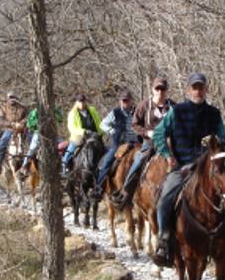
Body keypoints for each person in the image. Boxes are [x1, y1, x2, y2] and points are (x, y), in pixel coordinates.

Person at [152, 72, 225, 267]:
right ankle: (165, 240)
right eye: (194, 87)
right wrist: (168, 155)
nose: (198, 91)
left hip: (209, 169)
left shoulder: (214, 113)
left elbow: (223, 139)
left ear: (207, 89)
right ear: (188, 90)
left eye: (201, 87)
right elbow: (158, 134)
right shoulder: (177, 111)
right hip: (183, 166)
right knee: (166, 193)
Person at [110, 76, 174, 207]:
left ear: (167, 90)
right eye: (157, 88)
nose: (160, 91)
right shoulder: (144, 105)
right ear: (153, 89)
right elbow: (134, 124)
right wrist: (146, 132)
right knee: (138, 162)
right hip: (150, 144)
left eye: (163, 89)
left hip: (170, 144)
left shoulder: (173, 106)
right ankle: (125, 193)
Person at [91, 90, 139, 198]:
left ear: (131, 101)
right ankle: (98, 188)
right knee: (106, 162)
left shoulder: (137, 111)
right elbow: (103, 124)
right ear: (120, 101)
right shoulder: (115, 112)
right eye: (123, 100)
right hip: (119, 145)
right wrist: (113, 131)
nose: (125, 102)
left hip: (136, 144)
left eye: (127, 100)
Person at [18, 106, 65, 180]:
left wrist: (53, 115)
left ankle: (65, 167)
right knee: (32, 148)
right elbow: (29, 124)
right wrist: (39, 122)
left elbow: (60, 119)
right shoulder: (34, 112)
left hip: (53, 134)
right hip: (39, 134)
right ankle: (23, 167)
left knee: (63, 144)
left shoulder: (54, 110)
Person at [61, 93, 103, 175]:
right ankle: (65, 168)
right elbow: (71, 127)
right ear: (76, 102)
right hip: (79, 137)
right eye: (80, 101)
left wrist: (101, 132)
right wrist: (83, 131)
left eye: (83, 101)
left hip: (94, 136)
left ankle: (102, 169)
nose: (82, 103)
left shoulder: (92, 110)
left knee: (105, 150)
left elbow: (98, 122)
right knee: (69, 152)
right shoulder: (72, 113)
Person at [0, 92, 28, 176]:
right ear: (7, 98)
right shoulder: (4, 108)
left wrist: (21, 123)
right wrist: (11, 124)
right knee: (2, 144)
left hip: (21, 129)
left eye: (14, 97)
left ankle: (31, 164)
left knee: (31, 142)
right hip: (9, 129)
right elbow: (1, 120)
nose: (12, 99)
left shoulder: (22, 108)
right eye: (10, 97)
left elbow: (28, 117)